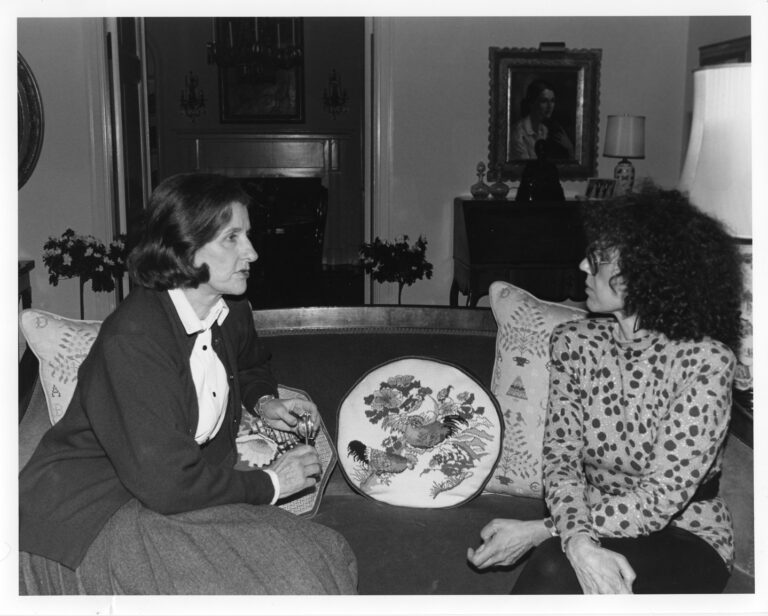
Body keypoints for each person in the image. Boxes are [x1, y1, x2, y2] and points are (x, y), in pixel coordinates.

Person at [19, 173, 358, 594]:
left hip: (173, 499)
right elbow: (168, 483)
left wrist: (264, 401)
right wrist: (273, 482)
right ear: (184, 246)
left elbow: (251, 365)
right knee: (293, 581)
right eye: (231, 238)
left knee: (327, 551)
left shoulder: (231, 311)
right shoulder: (135, 340)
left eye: (247, 235)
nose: (251, 252)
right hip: (91, 508)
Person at [467, 187, 743, 594]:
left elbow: (658, 502)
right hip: (588, 520)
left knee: (552, 565)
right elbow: (560, 462)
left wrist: (545, 532)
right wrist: (577, 540)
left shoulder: (705, 362)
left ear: (643, 274)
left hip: (687, 534)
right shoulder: (574, 342)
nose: (582, 265)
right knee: (558, 565)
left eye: (597, 261)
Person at [509, 79, 574, 160]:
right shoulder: (518, 133)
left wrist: (570, 148)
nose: (550, 106)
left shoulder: (544, 130)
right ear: (532, 103)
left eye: (552, 101)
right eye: (544, 101)